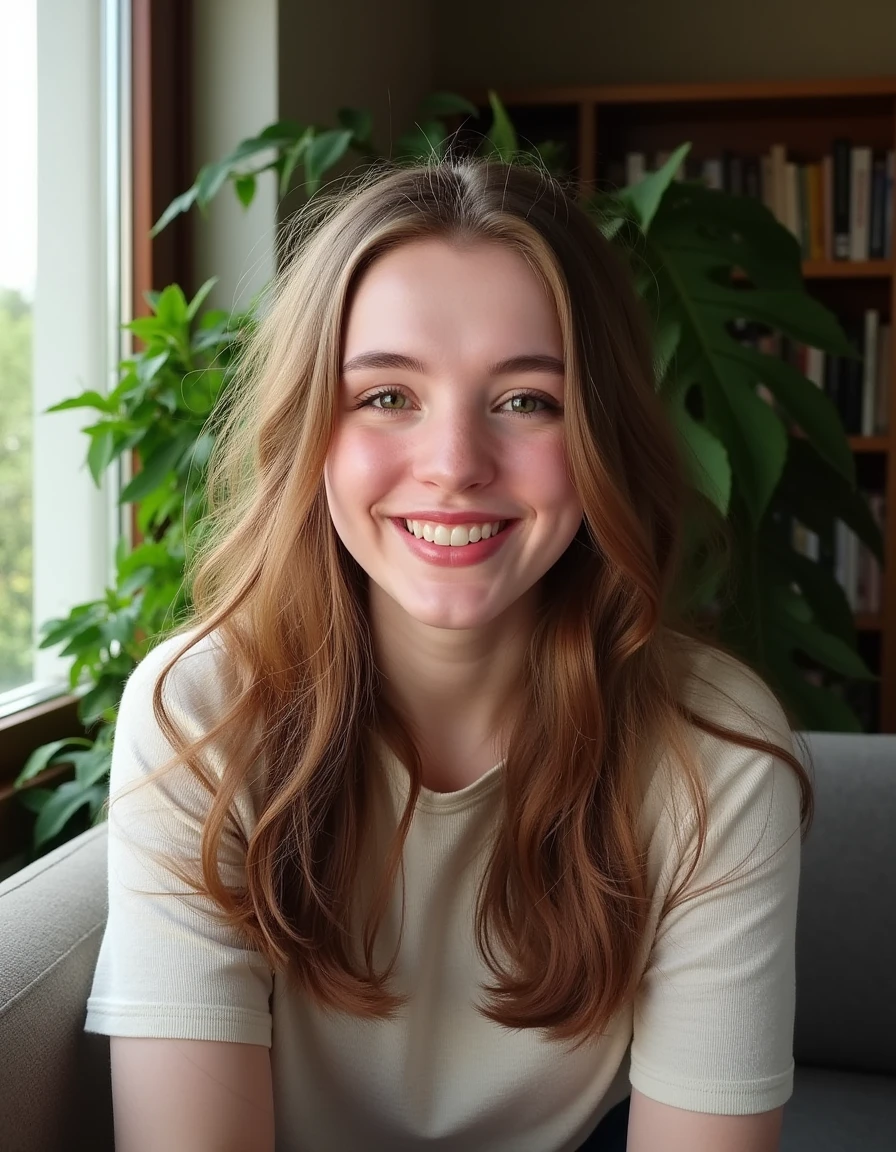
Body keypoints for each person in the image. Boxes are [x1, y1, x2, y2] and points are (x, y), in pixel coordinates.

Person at [84, 155, 812, 1152]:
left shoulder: (712, 746)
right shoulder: (198, 707)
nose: (454, 465)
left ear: (601, 434)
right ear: (310, 429)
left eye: (525, 401)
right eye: (386, 396)